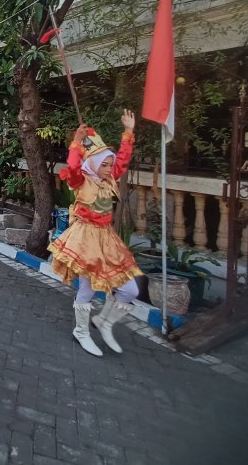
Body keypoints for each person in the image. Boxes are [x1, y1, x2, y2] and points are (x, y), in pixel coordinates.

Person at [47, 110, 141, 358]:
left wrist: (128, 132)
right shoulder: (81, 181)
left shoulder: (109, 179)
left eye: (110, 164)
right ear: (94, 164)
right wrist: (77, 143)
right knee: (87, 289)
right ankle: (81, 331)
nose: (109, 168)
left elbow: (122, 161)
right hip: (85, 239)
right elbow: (74, 166)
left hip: (107, 238)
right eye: (104, 164)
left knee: (130, 290)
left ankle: (105, 322)